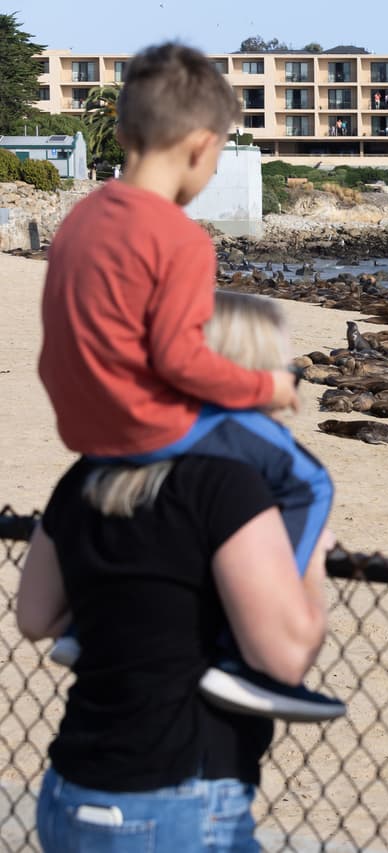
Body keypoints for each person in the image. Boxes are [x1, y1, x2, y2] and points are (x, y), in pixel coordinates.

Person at [37, 42, 338, 721]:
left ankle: (89, 625)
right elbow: (179, 361)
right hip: (147, 423)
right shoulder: (178, 238)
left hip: (87, 426)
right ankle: (245, 652)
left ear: (120, 133)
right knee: (308, 480)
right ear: (204, 148)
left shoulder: (79, 220)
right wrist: (269, 388)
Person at [17, 291, 333, 852]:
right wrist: (311, 563)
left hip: (71, 788)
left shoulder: (90, 472)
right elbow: (284, 657)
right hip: (179, 799)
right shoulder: (229, 489)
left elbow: (35, 616)